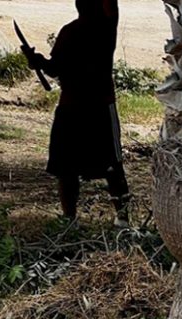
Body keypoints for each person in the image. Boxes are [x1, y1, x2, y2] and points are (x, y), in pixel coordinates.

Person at [21, 0, 131, 226]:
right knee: (66, 167)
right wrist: (38, 61)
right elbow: (54, 68)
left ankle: (122, 219)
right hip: (73, 106)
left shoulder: (105, 27)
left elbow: (53, 68)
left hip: (95, 106)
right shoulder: (72, 31)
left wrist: (40, 62)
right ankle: (70, 218)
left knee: (111, 165)